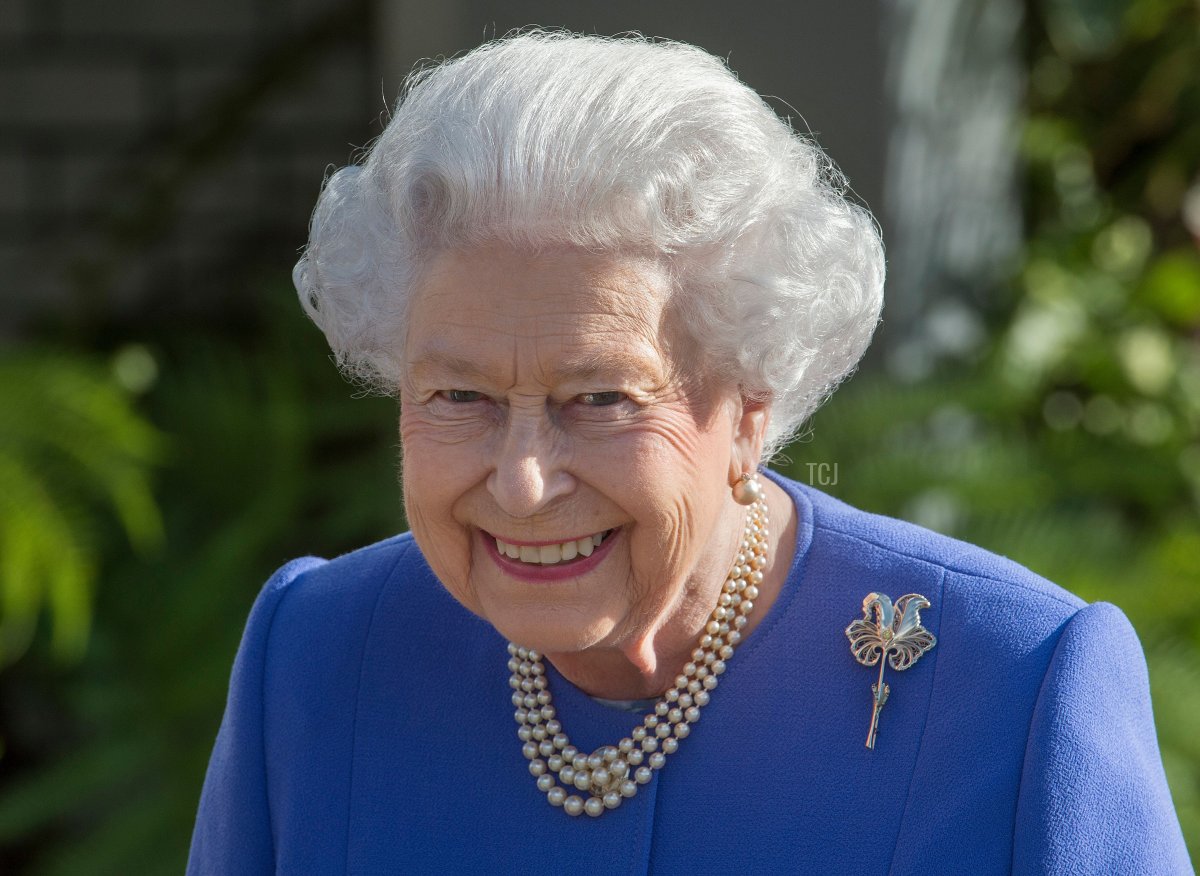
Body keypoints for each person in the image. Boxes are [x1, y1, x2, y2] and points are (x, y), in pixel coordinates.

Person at [187, 31, 1191, 874]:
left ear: (752, 405)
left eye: (599, 399)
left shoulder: (1014, 688)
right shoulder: (317, 656)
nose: (523, 483)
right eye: (460, 396)